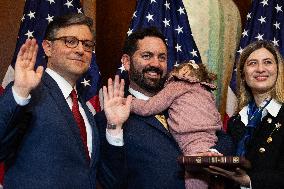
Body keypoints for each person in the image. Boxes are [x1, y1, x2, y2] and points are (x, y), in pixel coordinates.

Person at [95, 27, 233, 189]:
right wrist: (114, 128)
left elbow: (224, 139)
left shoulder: (186, 99)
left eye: (162, 57)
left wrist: (210, 154)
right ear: (126, 62)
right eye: (147, 56)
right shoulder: (108, 118)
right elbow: (111, 181)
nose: (155, 64)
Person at [0, 13, 106, 188]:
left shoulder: (84, 109)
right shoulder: (28, 92)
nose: (80, 50)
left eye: (87, 45)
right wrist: (19, 92)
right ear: (48, 47)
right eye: (70, 41)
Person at [130, 61, 222, 189]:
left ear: (180, 73)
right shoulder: (206, 92)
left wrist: (129, 103)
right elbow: (217, 119)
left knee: (194, 176)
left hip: (190, 139)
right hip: (210, 139)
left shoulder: (177, 85)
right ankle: (210, 154)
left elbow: (149, 107)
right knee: (204, 174)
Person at [207, 40, 284, 189]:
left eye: (268, 62)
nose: (260, 69)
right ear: (243, 74)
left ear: (278, 71)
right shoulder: (236, 121)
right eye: (252, 63)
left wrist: (249, 181)